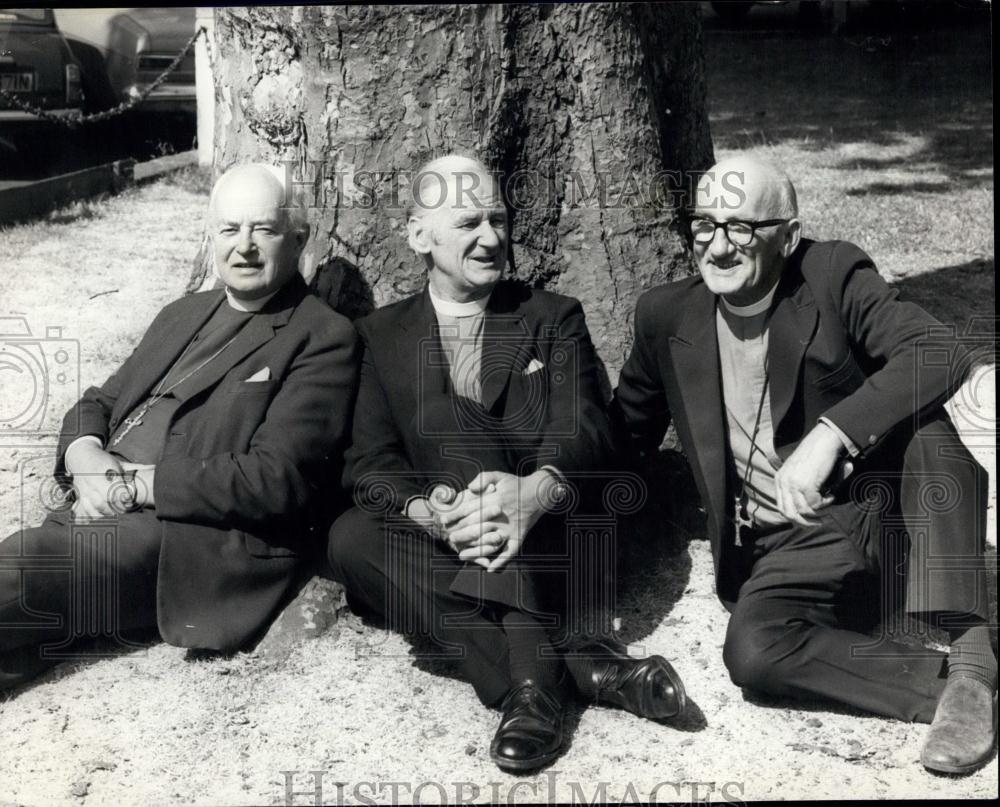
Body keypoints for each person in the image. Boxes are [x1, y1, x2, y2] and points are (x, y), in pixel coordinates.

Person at [611, 154, 996, 775]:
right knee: (753, 654)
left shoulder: (832, 273)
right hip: (786, 548)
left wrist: (833, 434)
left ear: (787, 237)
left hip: (884, 520)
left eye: (742, 227)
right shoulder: (665, 317)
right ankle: (949, 686)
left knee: (925, 423)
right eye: (704, 225)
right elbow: (621, 433)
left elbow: (938, 350)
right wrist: (536, 484)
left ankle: (973, 654)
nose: (719, 246)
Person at [327, 154, 686, 773]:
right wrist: (428, 512)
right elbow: (370, 460)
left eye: (498, 219)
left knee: (461, 422)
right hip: (452, 540)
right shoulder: (379, 335)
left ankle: (529, 692)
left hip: (557, 536)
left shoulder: (551, 316)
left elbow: (592, 427)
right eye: (469, 223)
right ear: (420, 236)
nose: (491, 237)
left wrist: (534, 491)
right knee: (350, 537)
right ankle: (577, 667)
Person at [0, 164, 359, 689]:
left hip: (179, 540)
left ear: (299, 238)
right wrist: (85, 459)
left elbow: (275, 478)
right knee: (25, 582)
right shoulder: (183, 311)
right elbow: (98, 400)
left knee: (20, 568)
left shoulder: (322, 337)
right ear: (210, 237)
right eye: (229, 230)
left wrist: (134, 484)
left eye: (263, 229)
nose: (245, 247)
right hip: (94, 504)